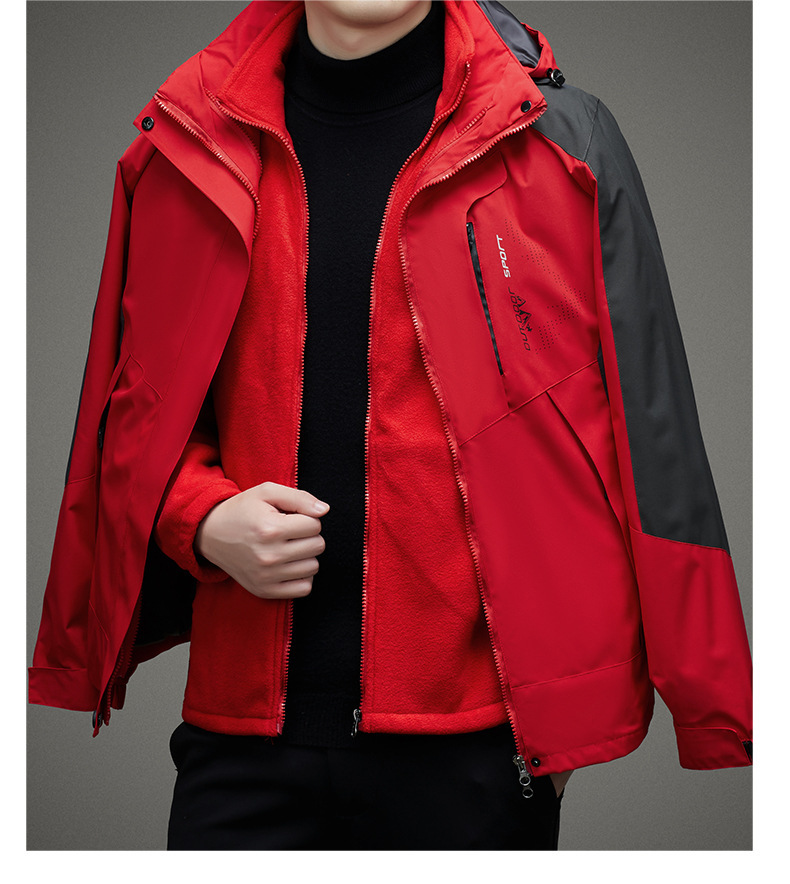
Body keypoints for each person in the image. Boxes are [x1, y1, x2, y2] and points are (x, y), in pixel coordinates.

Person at [28, 0, 753, 851]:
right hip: (240, 739)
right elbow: (131, 410)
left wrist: (708, 700)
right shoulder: (186, 138)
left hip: (480, 748)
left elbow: (653, 425)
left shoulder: (556, 141)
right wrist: (199, 516)